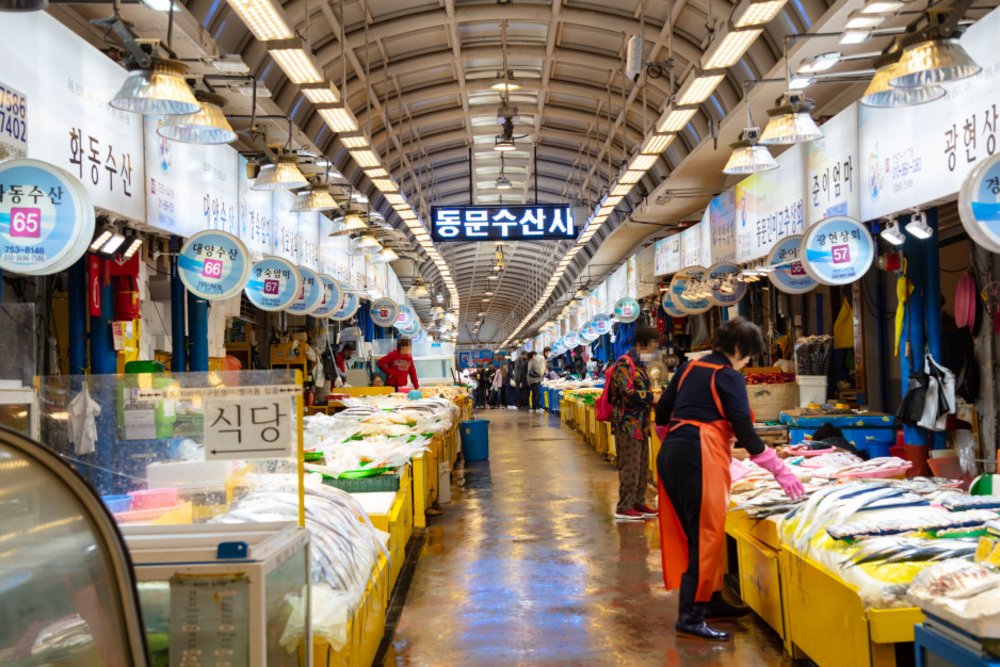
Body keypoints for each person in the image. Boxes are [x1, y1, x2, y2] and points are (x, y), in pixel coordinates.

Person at [654, 318, 805, 641]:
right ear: (739, 349)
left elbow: (661, 413)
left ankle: (711, 599)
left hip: (673, 454)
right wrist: (780, 470)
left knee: (703, 533)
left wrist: (676, 444)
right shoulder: (728, 376)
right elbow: (746, 433)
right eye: (749, 355)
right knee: (703, 536)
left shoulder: (688, 368)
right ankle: (691, 616)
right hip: (699, 455)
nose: (748, 362)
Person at [608, 327, 661, 522]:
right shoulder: (624, 363)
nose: (653, 353)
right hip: (627, 425)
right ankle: (624, 507)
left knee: (641, 465)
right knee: (630, 466)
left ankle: (638, 501)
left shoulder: (639, 367)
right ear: (641, 346)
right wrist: (650, 396)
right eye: (652, 348)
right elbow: (625, 391)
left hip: (641, 425)